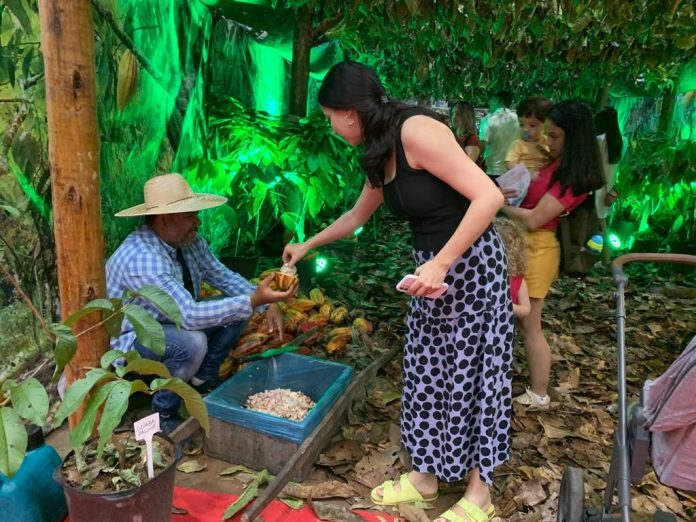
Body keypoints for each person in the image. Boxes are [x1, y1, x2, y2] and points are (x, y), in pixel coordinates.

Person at [283, 61, 512, 522]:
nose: (330, 125)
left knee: (475, 372)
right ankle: (427, 477)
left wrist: (443, 261)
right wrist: (307, 245)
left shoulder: (417, 131)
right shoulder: (379, 147)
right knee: (428, 371)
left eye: (329, 116)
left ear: (349, 112)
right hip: (429, 275)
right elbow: (356, 217)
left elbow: (489, 196)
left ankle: (479, 491)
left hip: (470, 266)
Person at [106, 173, 297, 433]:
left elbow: (222, 276)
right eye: (189, 216)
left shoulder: (189, 242)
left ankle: (202, 378)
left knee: (237, 306)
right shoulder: (143, 259)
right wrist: (254, 299)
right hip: (136, 341)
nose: (197, 222)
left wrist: (265, 303)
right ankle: (163, 412)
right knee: (193, 343)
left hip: (172, 324)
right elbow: (189, 316)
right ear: (164, 220)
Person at [501, 101, 604, 409]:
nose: (547, 141)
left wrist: (493, 200)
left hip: (538, 248)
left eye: (555, 136)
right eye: (547, 133)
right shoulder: (553, 163)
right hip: (523, 246)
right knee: (519, 321)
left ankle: (539, 393)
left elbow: (534, 219)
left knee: (530, 324)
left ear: (573, 139)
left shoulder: (574, 178)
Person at [594, 106, 623, 263]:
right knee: (602, 226)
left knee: (594, 226)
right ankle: (606, 258)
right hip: (608, 189)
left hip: (596, 189)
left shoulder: (599, 140)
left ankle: (601, 259)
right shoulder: (619, 141)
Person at [493, 218, 530, 318]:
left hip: (502, 327)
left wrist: (505, 306)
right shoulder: (481, 273)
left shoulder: (516, 278)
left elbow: (526, 309)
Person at [505, 96, 553, 174]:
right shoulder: (518, 144)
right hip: (522, 181)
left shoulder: (546, 141)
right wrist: (527, 173)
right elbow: (509, 163)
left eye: (532, 125)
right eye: (522, 124)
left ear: (545, 125)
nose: (525, 129)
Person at [478, 90, 519, 179]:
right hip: (513, 171)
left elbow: (482, 146)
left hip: (492, 170)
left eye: (492, 100)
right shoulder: (518, 120)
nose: (489, 103)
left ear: (498, 101)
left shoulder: (487, 120)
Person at [450, 100, 483, 166]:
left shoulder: (472, 139)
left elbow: (466, 166)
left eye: (458, 114)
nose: (453, 117)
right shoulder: (451, 134)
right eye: (452, 113)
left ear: (467, 116)